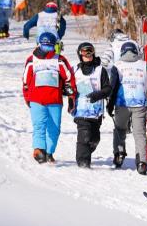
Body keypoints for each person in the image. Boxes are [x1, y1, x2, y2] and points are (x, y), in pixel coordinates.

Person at [107, 41, 147, 175]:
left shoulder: (117, 66)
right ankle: (142, 163)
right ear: (136, 52)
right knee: (139, 133)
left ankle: (119, 155)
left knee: (120, 130)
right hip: (140, 104)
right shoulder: (144, 65)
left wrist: (110, 105)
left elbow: (112, 86)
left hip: (122, 104)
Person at [22, 32, 76, 164]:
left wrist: (71, 96)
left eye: (50, 47)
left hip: (54, 100)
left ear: (55, 46)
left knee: (54, 128)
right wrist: (27, 97)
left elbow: (69, 79)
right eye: (45, 46)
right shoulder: (32, 60)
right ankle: (39, 150)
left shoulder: (60, 60)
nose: (47, 50)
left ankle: (49, 152)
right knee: (39, 125)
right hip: (36, 99)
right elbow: (25, 81)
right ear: (39, 45)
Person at [72, 42, 112, 168]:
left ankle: (85, 152)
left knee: (94, 139)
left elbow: (108, 89)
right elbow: (67, 86)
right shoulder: (75, 70)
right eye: (84, 53)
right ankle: (83, 162)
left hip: (96, 112)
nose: (88, 55)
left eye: (90, 52)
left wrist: (97, 95)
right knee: (84, 136)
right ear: (80, 54)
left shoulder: (101, 70)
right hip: (81, 111)